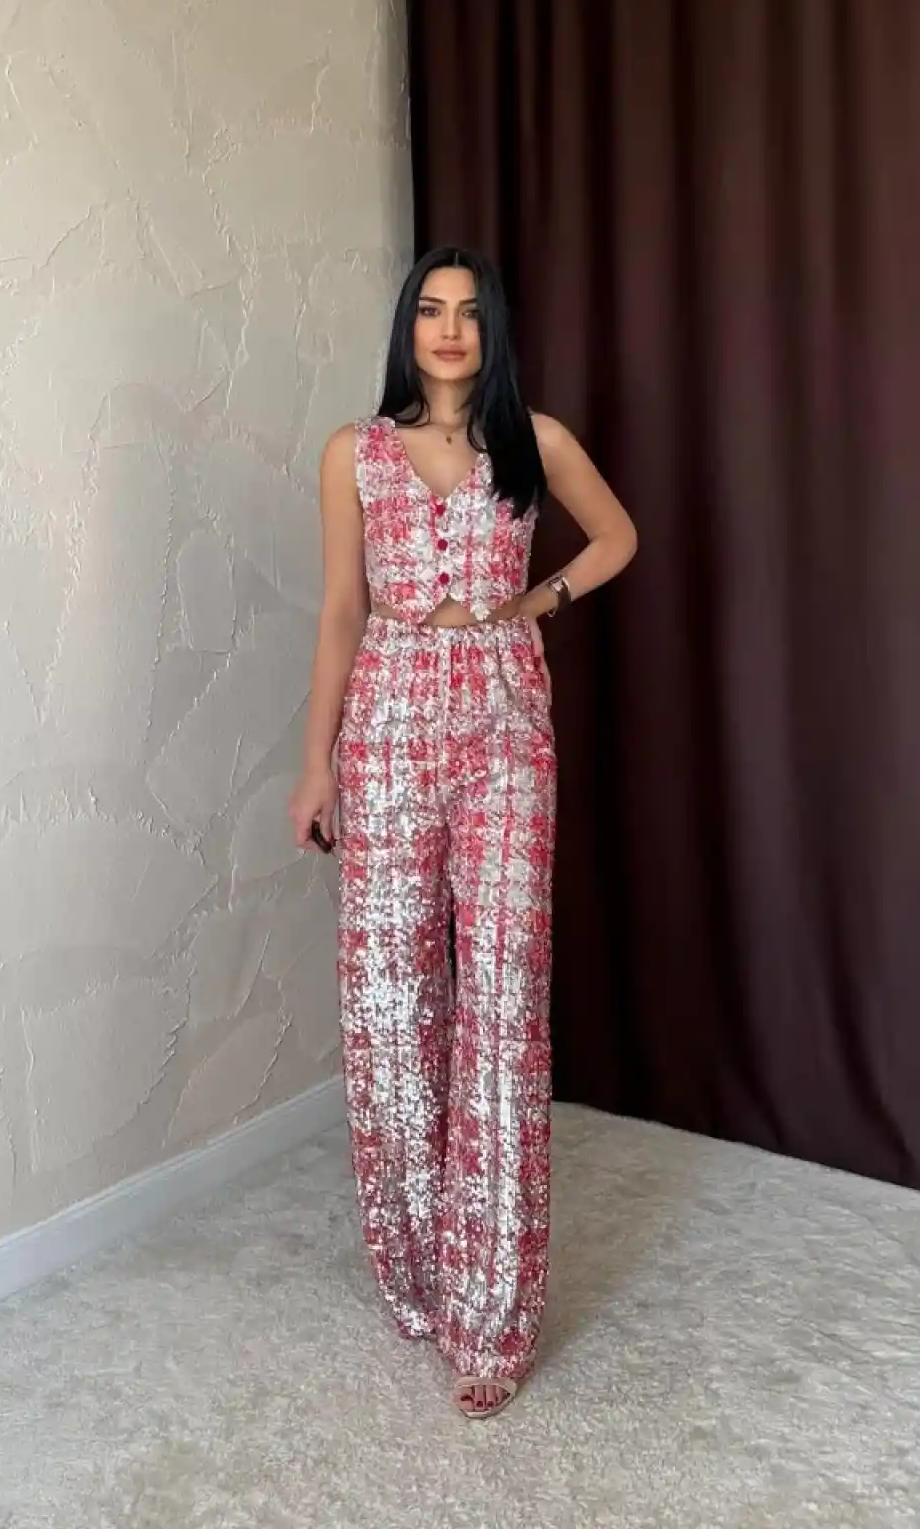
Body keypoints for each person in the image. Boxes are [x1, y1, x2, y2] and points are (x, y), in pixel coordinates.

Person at [289, 246, 637, 1419]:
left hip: (503, 725)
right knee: (391, 1003)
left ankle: (492, 1315)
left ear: (492, 332)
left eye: (469, 312)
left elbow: (614, 538)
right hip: (386, 721)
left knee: (501, 1003)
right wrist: (315, 764)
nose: (448, 328)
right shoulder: (353, 452)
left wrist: (536, 601)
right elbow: (341, 608)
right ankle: (419, 1280)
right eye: (430, 310)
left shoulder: (533, 441)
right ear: (408, 328)